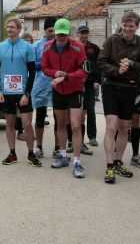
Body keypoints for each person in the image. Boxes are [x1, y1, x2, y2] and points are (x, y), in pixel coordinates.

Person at [97, 12, 140, 184]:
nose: (128, 29)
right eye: (125, 25)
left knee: (124, 128)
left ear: (137, 27)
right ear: (121, 25)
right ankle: (109, 167)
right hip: (111, 87)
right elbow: (100, 62)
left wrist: (132, 64)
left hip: (130, 88)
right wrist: (116, 70)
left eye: (132, 26)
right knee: (111, 127)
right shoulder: (111, 41)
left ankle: (118, 161)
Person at [42, 18, 88, 178]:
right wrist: (54, 73)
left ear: (68, 34)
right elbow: (44, 67)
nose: (61, 38)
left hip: (75, 90)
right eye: (58, 34)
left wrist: (67, 76)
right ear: (54, 33)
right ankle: (62, 155)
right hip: (58, 90)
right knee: (60, 124)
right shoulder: (47, 47)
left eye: (64, 34)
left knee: (75, 125)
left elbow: (85, 71)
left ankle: (77, 161)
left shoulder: (78, 47)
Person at [0, 19, 41, 167]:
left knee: (27, 124)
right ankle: (12, 153)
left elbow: (32, 72)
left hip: (22, 92)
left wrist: (27, 93)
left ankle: (31, 153)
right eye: (7, 27)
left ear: (19, 29)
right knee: (9, 124)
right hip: (6, 92)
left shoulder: (27, 48)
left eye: (12, 27)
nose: (9, 29)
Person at [31, 17, 58, 158]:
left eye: (55, 31)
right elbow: (32, 65)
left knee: (59, 119)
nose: (53, 34)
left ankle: (58, 148)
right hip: (41, 85)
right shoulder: (36, 46)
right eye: (50, 31)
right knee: (40, 117)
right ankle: (39, 146)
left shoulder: (61, 44)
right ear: (45, 30)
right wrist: (44, 65)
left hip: (58, 85)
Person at [77, 25, 101, 148]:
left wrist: (97, 80)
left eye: (86, 33)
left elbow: (99, 65)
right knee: (77, 112)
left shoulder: (94, 48)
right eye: (82, 33)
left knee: (90, 110)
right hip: (77, 83)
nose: (84, 35)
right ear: (78, 34)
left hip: (90, 83)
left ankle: (92, 137)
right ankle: (76, 139)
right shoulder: (73, 47)